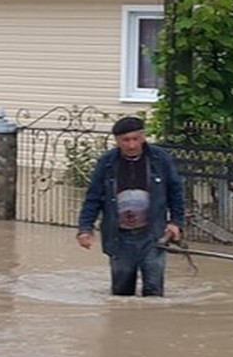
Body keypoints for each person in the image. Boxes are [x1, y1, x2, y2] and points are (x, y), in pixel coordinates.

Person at [76, 116, 185, 296]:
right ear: (117, 141)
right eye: (126, 140)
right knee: (121, 294)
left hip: (153, 236)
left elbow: (176, 192)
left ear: (143, 137)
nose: (131, 145)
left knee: (154, 292)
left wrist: (176, 222)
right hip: (120, 238)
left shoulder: (160, 159)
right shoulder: (107, 162)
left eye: (136, 139)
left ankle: (150, 322)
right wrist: (85, 229)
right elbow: (93, 197)